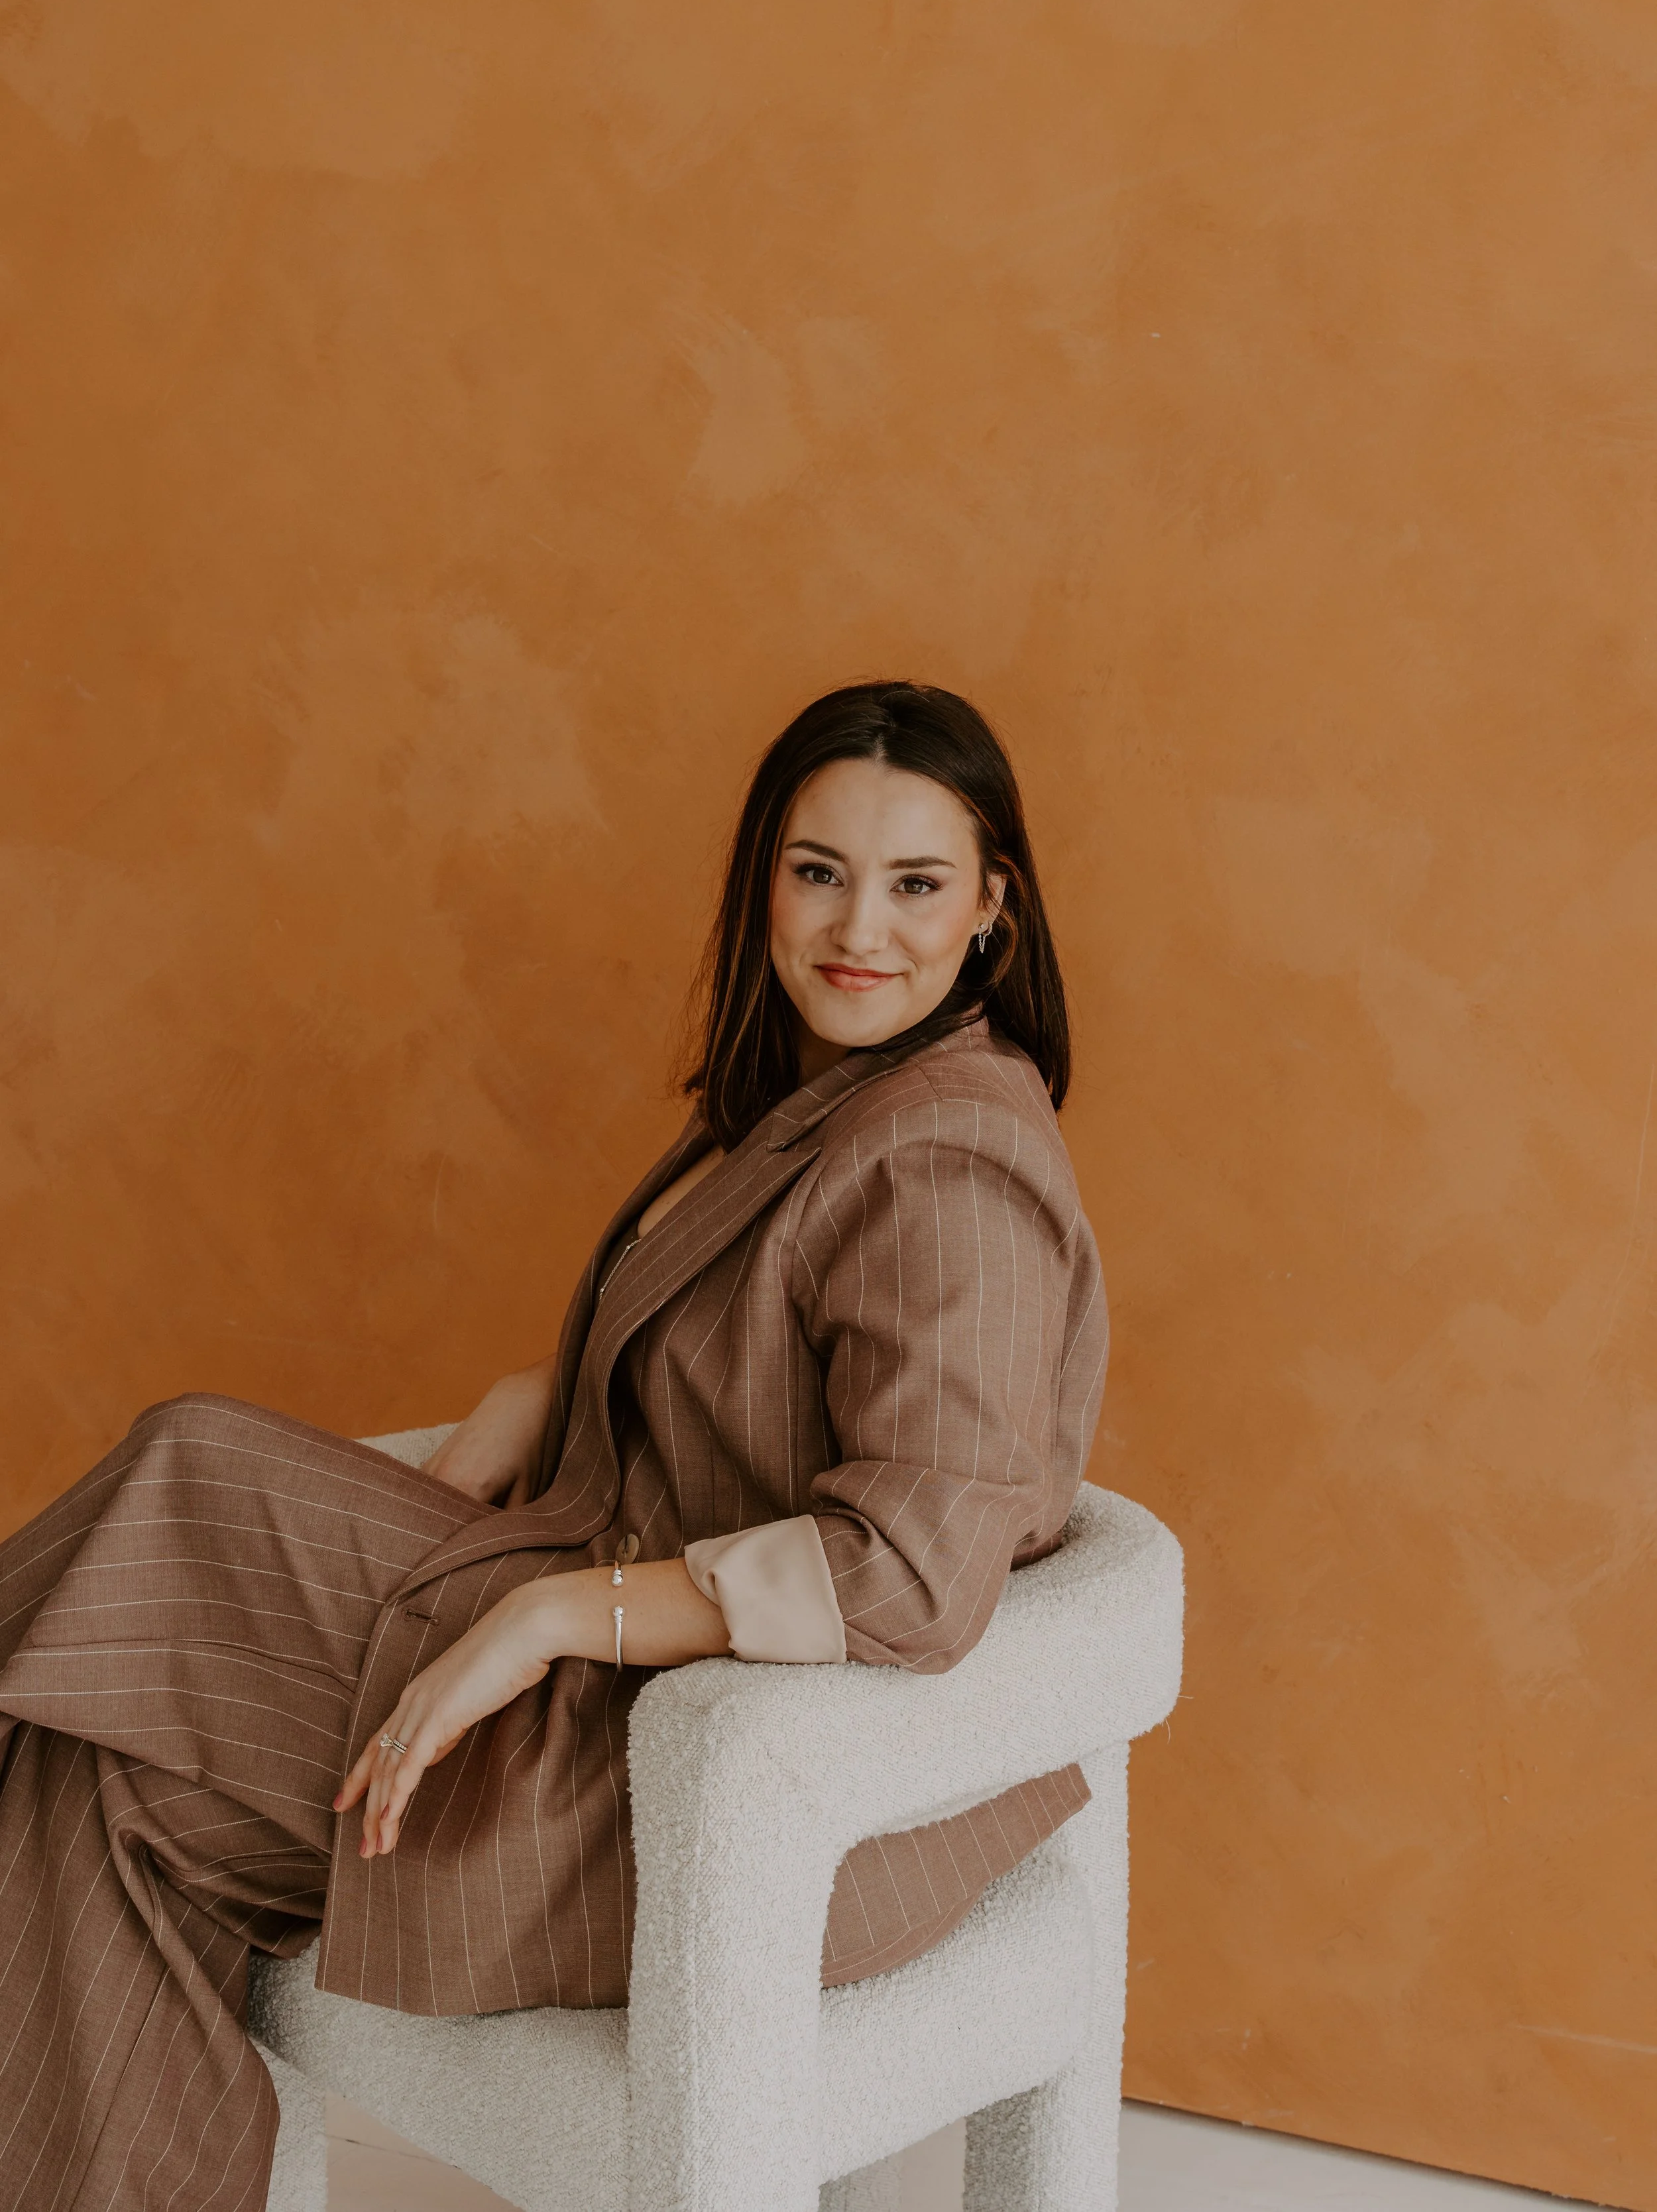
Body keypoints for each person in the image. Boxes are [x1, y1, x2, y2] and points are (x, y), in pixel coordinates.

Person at [0, 681, 1108, 2212]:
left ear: (993, 907)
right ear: (764, 883)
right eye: (816, 871)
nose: (862, 925)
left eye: (917, 883)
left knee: (193, 1461)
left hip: (732, 1795)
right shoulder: (829, 1093)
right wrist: (563, 1378)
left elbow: (911, 1574)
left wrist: (542, 1618)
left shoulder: (950, 1163)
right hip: (620, 1689)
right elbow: (752, 1346)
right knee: (90, 1796)